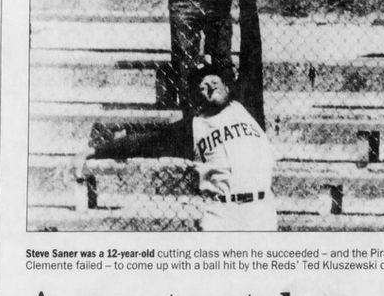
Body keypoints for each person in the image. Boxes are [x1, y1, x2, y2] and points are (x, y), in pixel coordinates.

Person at [75, 64, 277, 232]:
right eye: (203, 87)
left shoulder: (247, 110)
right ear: (198, 98)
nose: (210, 87)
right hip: (223, 213)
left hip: (261, 211)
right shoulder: (194, 127)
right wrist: (96, 151)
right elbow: (147, 142)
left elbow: (252, 55)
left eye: (214, 82)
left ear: (227, 87)